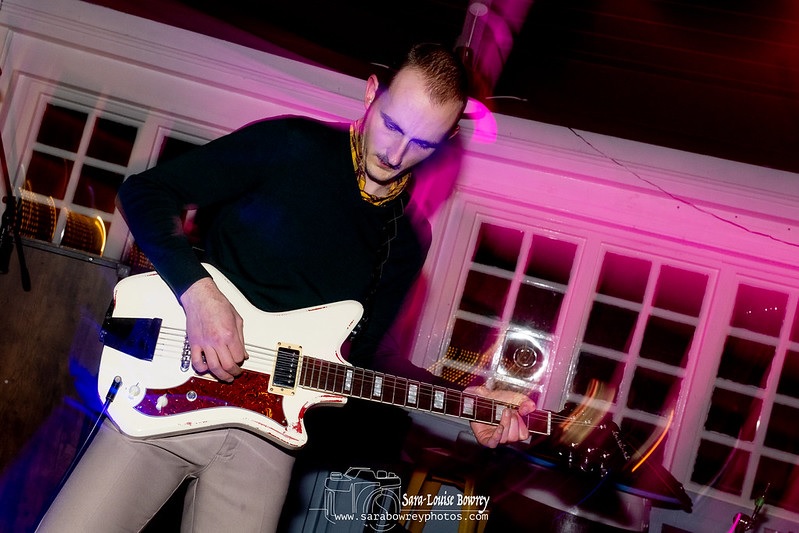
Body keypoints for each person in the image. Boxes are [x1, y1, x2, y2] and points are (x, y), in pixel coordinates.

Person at [37, 43, 535, 532]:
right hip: (171, 387)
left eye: (422, 144)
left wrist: (464, 401)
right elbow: (145, 192)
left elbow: (369, 356)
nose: (395, 153)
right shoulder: (291, 146)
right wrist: (199, 295)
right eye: (392, 125)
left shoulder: (407, 238)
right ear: (371, 92)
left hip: (267, 440)